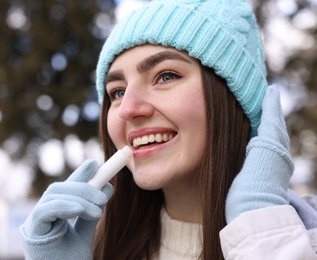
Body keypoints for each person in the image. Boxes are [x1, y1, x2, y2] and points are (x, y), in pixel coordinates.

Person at [20, 0, 317, 259]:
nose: (127, 109)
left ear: (234, 98)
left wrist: (262, 235)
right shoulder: (99, 248)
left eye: (166, 75)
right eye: (117, 92)